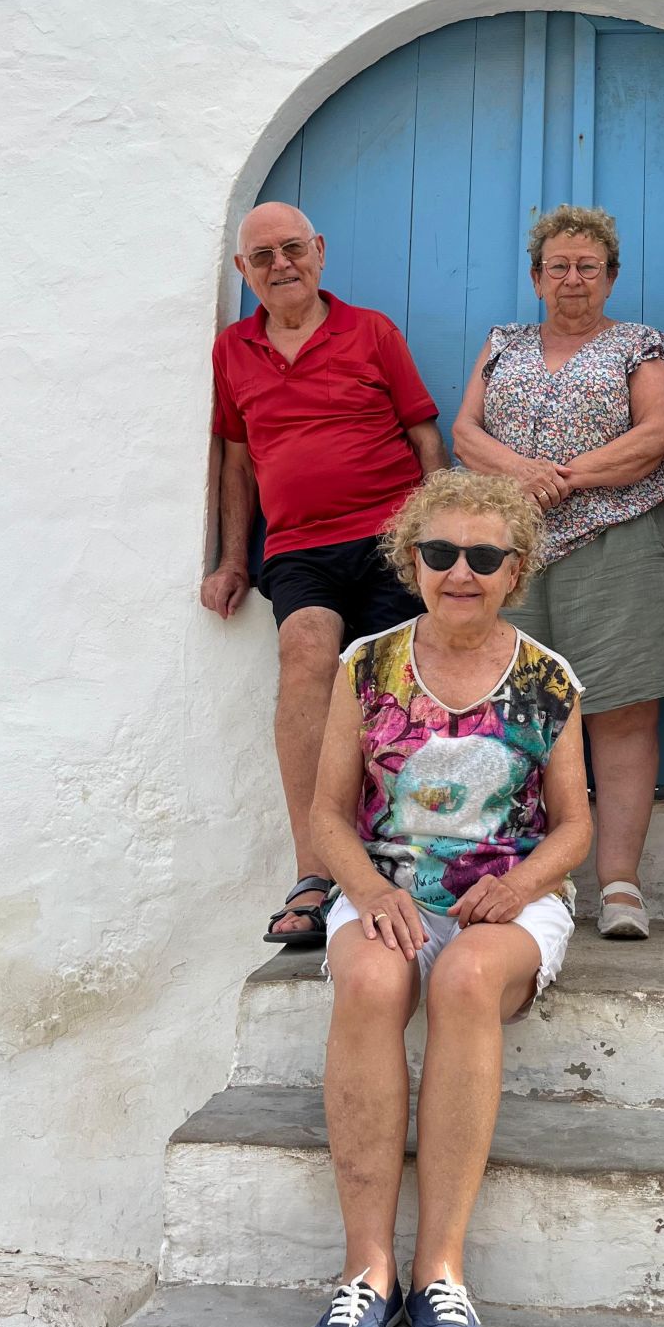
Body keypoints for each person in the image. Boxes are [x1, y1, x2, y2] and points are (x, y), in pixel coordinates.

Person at [297, 468, 592, 1327]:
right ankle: (366, 1273)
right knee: (376, 977)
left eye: (483, 556)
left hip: (509, 894)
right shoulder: (368, 666)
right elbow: (327, 814)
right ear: (411, 560)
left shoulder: (548, 681)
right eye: (438, 553)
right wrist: (371, 893)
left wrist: (518, 886)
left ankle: (440, 1273)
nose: (459, 572)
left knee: (463, 979)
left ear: (516, 570)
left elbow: (577, 825)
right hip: (388, 887)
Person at [201, 201, 447, 947]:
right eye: (264, 256)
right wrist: (233, 558)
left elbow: (422, 434)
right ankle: (316, 874)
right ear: (243, 272)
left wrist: (433, 539)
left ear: (320, 251)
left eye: (293, 249)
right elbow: (237, 458)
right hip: (300, 548)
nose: (282, 265)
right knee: (306, 654)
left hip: (387, 537)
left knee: (394, 686)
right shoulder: (232, 350)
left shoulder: (371, 331)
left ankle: (413, 862)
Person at [452, 206, 664, 940]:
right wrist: (523, 473)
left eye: (589, 266)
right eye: (559, 266)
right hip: (510, 559)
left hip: (616, 544)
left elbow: (657, 434)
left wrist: (564, 478)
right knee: (513, 717)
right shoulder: (503, 344)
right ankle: (524, 880)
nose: (573, 278)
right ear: (536, 277)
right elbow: (465, 432)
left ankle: (619, 885)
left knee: (621, 716)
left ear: (611, 276)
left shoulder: (638, 345)